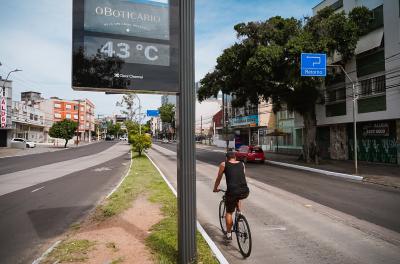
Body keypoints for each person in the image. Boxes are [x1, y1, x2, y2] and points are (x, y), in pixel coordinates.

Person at [213, 151, 249, 240]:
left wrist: (215, 188)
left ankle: (228, 234)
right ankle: (239, 211)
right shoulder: (242, 164)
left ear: (226, 158)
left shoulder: (223, 164)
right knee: (238, 196)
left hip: (232, 191)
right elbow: (242, 176)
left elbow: (219, 178)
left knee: (229, 213)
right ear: (235, 157)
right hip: (245, 190)